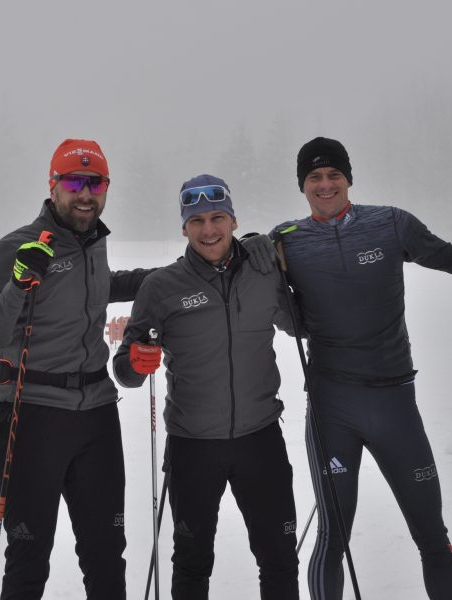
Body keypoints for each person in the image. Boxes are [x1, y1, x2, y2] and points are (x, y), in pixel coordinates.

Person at [246, 136, 452, 599]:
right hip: (333, 407)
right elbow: (253, 295)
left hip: (395, 404)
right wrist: (251, 249)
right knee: (332, 538)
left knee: (432, 535)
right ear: (302, 185)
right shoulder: (284, 240)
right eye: (314, 177)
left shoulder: (390, 224)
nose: (325, 185)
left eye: (334, 174)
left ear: (348, 179)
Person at [0, 138, 157, 599]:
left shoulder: (93, 243)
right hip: (31, 416)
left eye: (95, 183)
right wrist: (17, 286)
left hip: (96, 417)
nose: (85, 194)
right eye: (73, 183)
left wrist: (175, 274)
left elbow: (97, 288)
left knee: (107, 557)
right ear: (52, 186)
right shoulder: (16, 248)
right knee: (29, 561)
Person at [112, 174, 300, 600]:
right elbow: (126, 369)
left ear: (234, 220)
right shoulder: (161, 287)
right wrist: (135, 363)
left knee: (279, 558)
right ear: (184, 228)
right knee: (192, 562)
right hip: (193, 447)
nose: (208, 229)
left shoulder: (263, 271)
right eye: (196, 220)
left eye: (217, 217)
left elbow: (302, 323)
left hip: (260, 441)